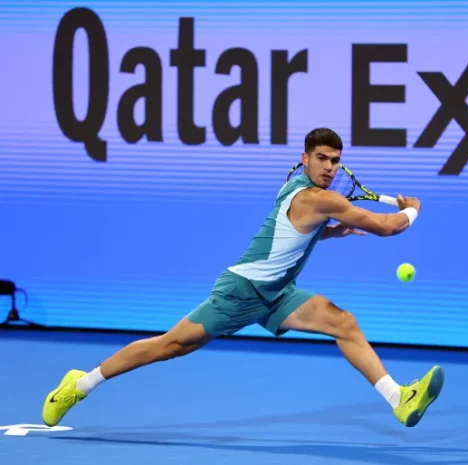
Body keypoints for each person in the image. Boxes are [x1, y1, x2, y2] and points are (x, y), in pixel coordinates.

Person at [42, 128, 444, 429]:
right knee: (171, 346)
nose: (329, 167)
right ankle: (81, 383)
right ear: (304, 158)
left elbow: (299, 232)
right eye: (322, 158)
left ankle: (399, 398)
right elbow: (387, 227)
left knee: (342, 322)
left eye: (336, 160)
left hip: (277, 293)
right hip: (239, 291)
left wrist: (332, 230)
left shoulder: (300, 190)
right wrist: (412, 210)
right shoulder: (319, 198)